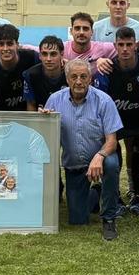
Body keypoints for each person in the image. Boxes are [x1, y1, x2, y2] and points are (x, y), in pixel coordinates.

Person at [43, 59, 123, 240]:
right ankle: (96, 193)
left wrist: (99, 156)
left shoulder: (104, 100)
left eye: (83, 76)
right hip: (74, 165)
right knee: (78, 220)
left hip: (100, 160)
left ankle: (109, 218)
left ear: (90, 78)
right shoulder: (54, 100)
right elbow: (45, 137)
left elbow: (112, 141)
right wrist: (45, 120)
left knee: (111, 164)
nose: (78, 81)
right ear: (67, 78)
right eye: (74, 77)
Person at [95, 26, 139, 217]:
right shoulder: (106, 69)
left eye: (128, 44)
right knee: (115, 158)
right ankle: (117, 199)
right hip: (116, 121)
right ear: (115, 45)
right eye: (120, 45)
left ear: (135, 46)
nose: (124, 49)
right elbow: (102, 102)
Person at [0, 24, 39, 111]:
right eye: (1, 44)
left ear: (17, 45)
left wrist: (63, 62)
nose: (5, 48)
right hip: (3, 116)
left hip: (33, 112)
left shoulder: (32, 58)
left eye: (10, 44)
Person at [23, 35, 69, 110]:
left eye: (53, 54)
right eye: (44, 54)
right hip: (41, 118)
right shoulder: (30, 75)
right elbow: (31, 106)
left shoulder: (70, 73)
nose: (48, 59)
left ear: (61, 54)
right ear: (40, 56)